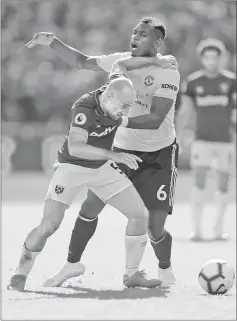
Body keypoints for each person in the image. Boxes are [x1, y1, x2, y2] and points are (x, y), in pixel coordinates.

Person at [24, 16, 180, 287]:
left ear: (157, 42)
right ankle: (71, 265)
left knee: (154, 227)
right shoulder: (120, 61)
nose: (134, 36)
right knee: (90, 206)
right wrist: (53, 43)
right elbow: (80, 61)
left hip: (158, 153)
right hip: (120, 149)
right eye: (134, 31)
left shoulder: (169, 71)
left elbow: (155, 120)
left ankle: (164, 269)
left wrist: (114, 119)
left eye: (142, 34)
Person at [8, 70, 166, 291]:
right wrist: (114, 155)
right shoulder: (84, 107)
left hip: (101, 168)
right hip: (71, 167)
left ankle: (131, 275)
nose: (125, 112)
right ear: (109, 96)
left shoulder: (116, 102)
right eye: (123, 105)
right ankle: (19, 275)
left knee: (139, 214)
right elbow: (76, 147)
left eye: (129, 106)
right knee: (49, 226)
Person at [178, 38, 236, 241]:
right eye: (207, 57)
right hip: (201, 140)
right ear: (202, 59)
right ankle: (197, 229)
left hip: (224, 141)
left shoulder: (231, 81)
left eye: (215, 57)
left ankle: (219, 229)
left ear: (221, 58)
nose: (211, 60)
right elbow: (185, 110)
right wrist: (178, 133)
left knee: (223, 184)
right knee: (199, 181)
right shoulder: (194, 82)